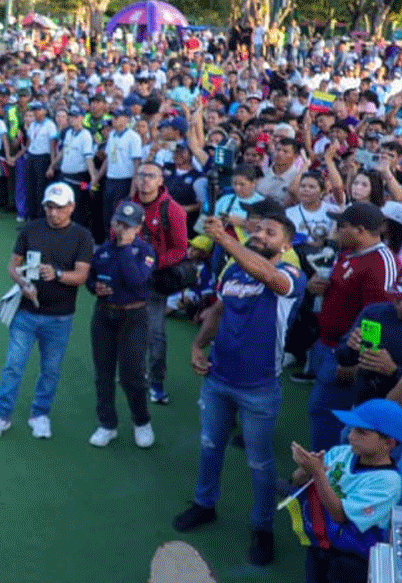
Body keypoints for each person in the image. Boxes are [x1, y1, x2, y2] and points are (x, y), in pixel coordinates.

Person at [175, 208, 307, 567]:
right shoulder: (233, 269)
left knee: (260, 462)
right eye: (258, 229)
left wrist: (223, 239)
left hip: (259, 388)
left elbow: (266, 275)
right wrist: (197, 345)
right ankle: (205, 505)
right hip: (218, 379)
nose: (261, 234)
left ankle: (262, 528)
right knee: (209, 446)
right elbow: (218, 310)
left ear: (286, 244)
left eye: (271, 232)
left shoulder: (291, 274)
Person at [0, 183, 94, 440]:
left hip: (59, 317)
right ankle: (1, 415)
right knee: (13, 365)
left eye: (59, 208)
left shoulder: (82, 237)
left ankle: (40, 414)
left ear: (72, 207)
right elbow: (14, 266)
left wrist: (56, 274)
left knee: (51, 369)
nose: (53, 213)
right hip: (25, 313)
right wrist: (22, 283)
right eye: (49, 207)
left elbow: (81, 276)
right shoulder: (31, 229)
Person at [308, 202, 400, 451]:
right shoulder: (348, 251)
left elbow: (381, 320)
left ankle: (323, 478)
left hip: (346, 358)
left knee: (332, 418)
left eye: (342, 226)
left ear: (360, 230)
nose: (336, 230)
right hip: (327, 345)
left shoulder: (381, 263)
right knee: (321, 412)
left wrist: (355, 364)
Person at [290, 399, 402, 583]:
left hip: (351, 559)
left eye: (362, 432)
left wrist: (317, 473)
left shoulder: (389, 482)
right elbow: (296, 480)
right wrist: (306, 468)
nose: (351, 436)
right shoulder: (342, 452)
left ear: (389, 443)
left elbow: (340, 515)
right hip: (320, 542)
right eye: (351, 428)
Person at [87, 201, 157, 448]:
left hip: (134, 317)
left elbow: (137, 281)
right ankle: (107, 424)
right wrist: (95, 287)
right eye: (119, 223)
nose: (122, 229)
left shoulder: (145, 251)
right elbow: (91, 277)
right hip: (105, 314)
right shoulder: (103, 250)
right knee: (103, 373)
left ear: (138, 227)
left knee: (131, 373)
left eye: (128, 226)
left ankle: (141, 421)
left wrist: (126, 248)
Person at [130, 161, 189, 405]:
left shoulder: (172, 210)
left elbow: (180, 250)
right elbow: (115, 236)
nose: (145, 180)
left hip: (155, 279)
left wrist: (152, 264)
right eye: (142, 175)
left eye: (151, 176)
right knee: (127, 328)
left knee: (154, 333)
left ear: (160, 181)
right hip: (129, 280)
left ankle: (156, 382)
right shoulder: (127, 206)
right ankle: (132, 371)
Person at [101, 110, 142, 233]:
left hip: (125, 181)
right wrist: (96, 178)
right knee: (107, 213)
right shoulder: (112, 135)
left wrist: (132, 190)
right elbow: (107, 159)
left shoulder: (133, 137)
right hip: (110, 179)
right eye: (113, 117)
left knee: (119, 214)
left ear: (126, 119)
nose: (114, 119)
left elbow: (137, 165)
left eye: (118, 117)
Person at [24, 101, 58, 220]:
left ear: (44, 110)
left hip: (43, 158)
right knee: (30, 189)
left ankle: (40, 220)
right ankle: (31, 219)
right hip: (32, 157)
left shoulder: (50, 125)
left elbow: (52, 146)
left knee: (40, 191)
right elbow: (29, 144)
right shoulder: (33, 125)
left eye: (38, 109)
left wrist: (51, 166)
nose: (36, 112)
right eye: (34, 110)